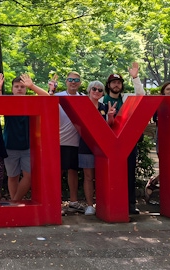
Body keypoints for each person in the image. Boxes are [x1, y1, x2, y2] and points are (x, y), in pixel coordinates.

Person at [101, 62, 145, 215]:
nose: (116, 85)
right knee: (109, 175)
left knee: (129, 174)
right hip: (108, 143)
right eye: (113, 82)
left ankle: (130, 203)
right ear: (109, 85)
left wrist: (135, 77)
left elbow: (141, 95)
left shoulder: (128, 98)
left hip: (127, 142)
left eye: (119, 82)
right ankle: (110, 203)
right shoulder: (101, 101)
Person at [0, 74, 48, 202]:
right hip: (10, 145)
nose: (19, 89)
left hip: (28, 147)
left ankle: (15, 201)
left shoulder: (32, 102)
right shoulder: (7, 101)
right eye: (16, 87)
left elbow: (48, 98)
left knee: (29, 176)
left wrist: (32, 86)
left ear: (26, 89)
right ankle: (16, 204)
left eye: (22, 87)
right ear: (12, 89)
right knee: (12, 176)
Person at [78, 80, 115, 215]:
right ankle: (89, 205)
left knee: (102, 176)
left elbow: (109, 126)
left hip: (102, 147)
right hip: (86, 145)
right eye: (94, 89)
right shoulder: (82, 105)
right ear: (89, 90)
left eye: (100, 90)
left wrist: (110, 116)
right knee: (88, 176)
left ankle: (103, 203)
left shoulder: (105, 106)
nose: (97, 92)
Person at [54, 72, 85, 213]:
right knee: (57, 173)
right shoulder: (57, 97)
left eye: (76, 80)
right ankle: (56, 203)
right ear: (66, 81)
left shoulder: (84, 99)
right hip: (57, 142)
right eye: (71, 80)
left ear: (80, 82)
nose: (73, 82)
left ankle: (73, 202)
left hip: (75, 142)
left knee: (73, 172)